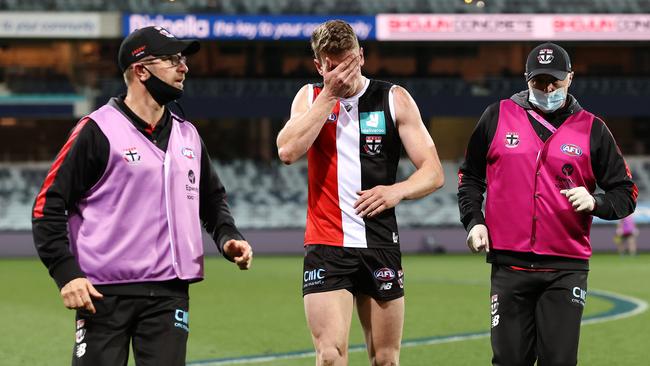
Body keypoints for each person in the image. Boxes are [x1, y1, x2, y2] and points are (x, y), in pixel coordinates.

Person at [31, 26, 253, 366]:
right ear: (141, 70)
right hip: (102, 293)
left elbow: (211, 200)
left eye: (183, 59)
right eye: (172, 59)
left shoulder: (188, 135)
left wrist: (228, 237)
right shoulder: (97, 130)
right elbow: (47, 206)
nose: (184, 67)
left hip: (170, 293)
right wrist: (67, 273)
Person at [276, 20, 444, 366]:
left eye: (349, 63)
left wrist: (398, 191)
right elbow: (288, 151)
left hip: (380, 242)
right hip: (327, 244)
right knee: (330, 356)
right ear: (319, 66)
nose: (342, 73)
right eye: (333, 67)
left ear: (362, 56)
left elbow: (433, 172)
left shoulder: (394, 98)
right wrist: (330, 94)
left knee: (385, 359)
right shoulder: (309, 97)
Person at [458, 42, 637, 366]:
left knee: (559, 361)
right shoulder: (496, 116)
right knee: (509, 360)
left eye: (555, 80)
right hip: (509, 264)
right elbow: (470, 176)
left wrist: (596, 202)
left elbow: (626, 193)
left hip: (565, 268)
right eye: (539, 81)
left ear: (570, 77)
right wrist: (475, 221)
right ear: (526, 79)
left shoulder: (593, 129)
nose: (548, 87)